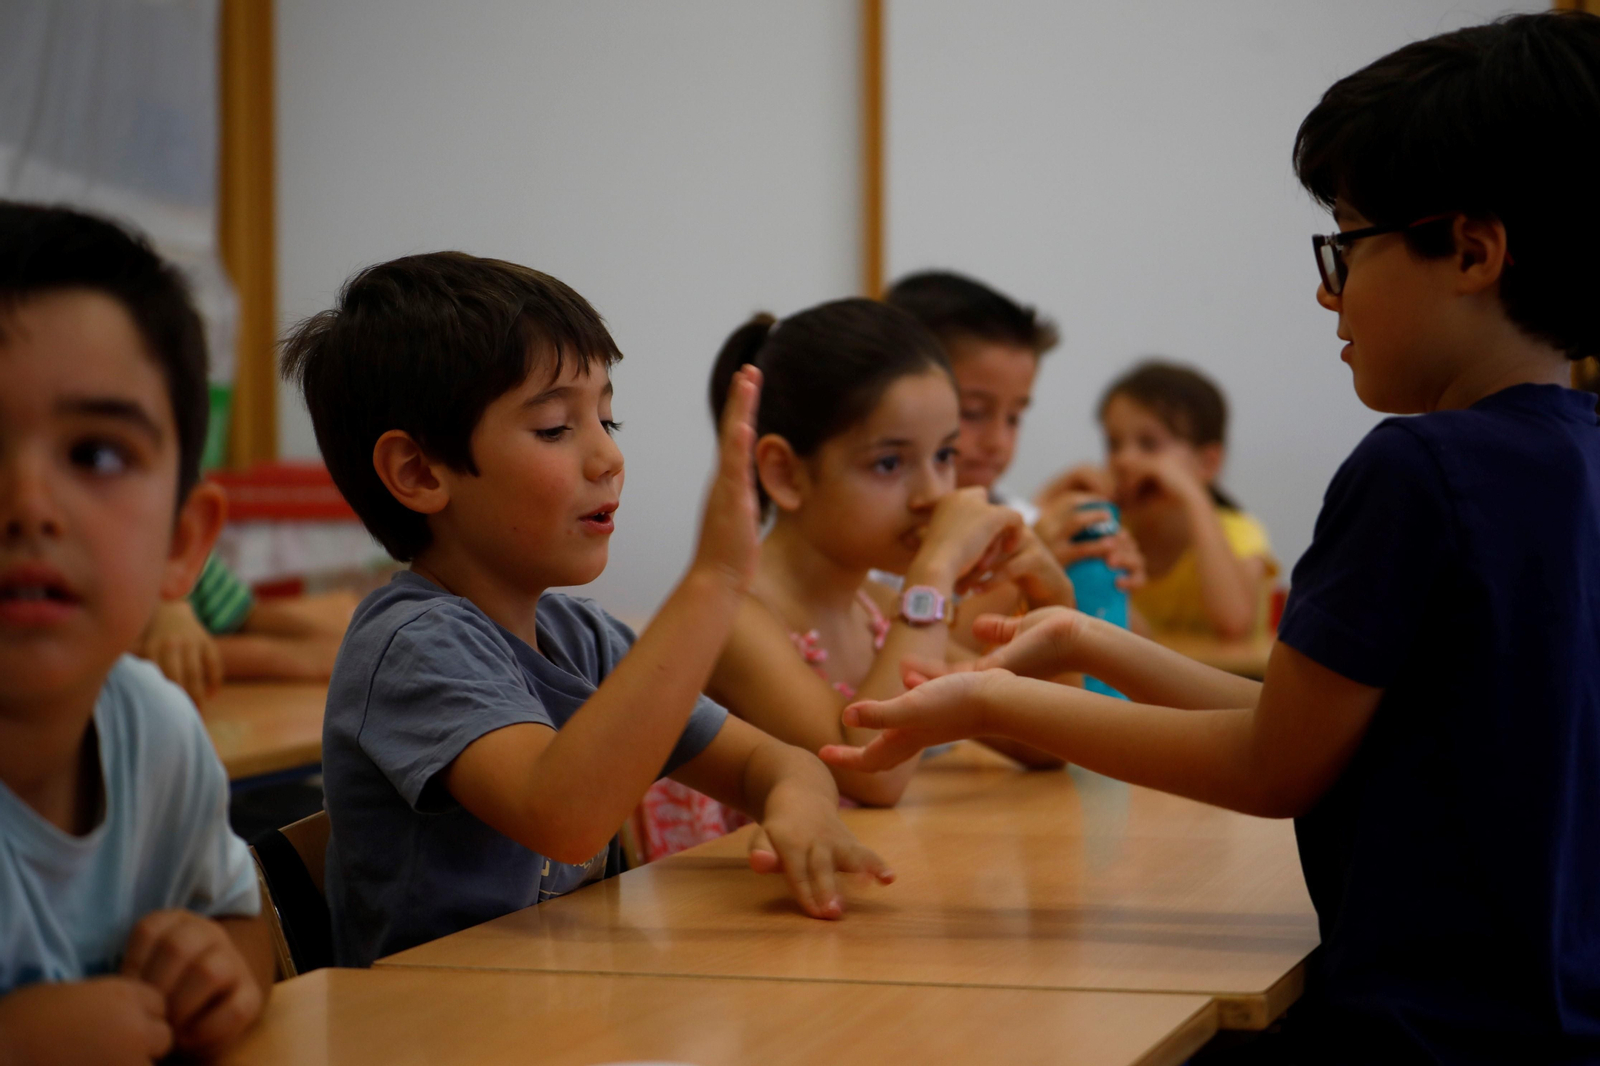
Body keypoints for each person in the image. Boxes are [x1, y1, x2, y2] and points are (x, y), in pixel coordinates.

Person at [822, 12, 1600, 1062]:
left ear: (1470, 248)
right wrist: (1091, 646)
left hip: (1430, 1029)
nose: (1325, 290)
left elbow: (1274, 764)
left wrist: (1005, 699)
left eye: (1346, 243)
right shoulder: (1576, 457)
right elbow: (1320, 720)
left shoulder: (1418, 470)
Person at [283, 253, 892, 967]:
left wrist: (797, 801)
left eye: (608, 417)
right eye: (554, 428)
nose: (608, 457)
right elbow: (563, 817)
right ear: (419, 473)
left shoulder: (582, 639)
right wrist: (715, 580)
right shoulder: (413, 643)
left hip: (566, 1007)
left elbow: (777, 761)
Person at [0, 203, 272, 1063]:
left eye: (98, 455)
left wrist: (217, 971)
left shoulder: (154, 727)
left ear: (185, 543)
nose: (30, 509)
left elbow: (239, 919)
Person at [670, 299, 1061, 824]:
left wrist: (1049, 601)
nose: (931, 493)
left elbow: (1043, 744)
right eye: (889, 463)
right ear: (786, 474)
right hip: (718, 905)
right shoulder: (732, 618)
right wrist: (935, 569)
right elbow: (872, 775)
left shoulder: (874, 611)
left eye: (944, 455)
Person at [884, 271, 1146, 648]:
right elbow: (909, 659)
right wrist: (1019, 578)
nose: (997, 441)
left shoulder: (1025, 519)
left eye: (1014, 417)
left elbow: (1131, 655)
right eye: (973, 412)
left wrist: (1110, 588)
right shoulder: (881, 529)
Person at [1039, 361, 1275, 639]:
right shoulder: (1112, 532)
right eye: (1113, 444)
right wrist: (1049, 501)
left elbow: (1233, 624)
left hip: (1227, 680)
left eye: (1148, 444)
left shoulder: (1240, 533)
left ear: (1207, 463)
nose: (1124, 460)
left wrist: (1193, 495)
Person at [133, 554, 357, 705]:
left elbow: (243, 614)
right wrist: (296, 657)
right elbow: (146, 656)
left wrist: (334, 641)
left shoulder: (191, 545)